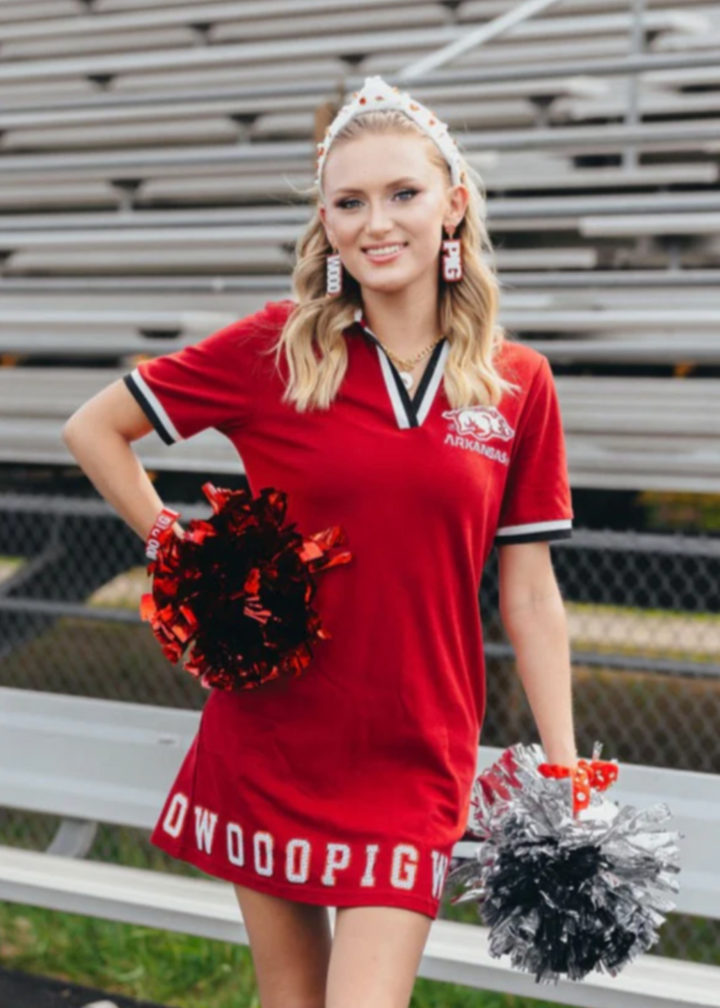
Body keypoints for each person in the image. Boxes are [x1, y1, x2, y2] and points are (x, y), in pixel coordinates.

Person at [62, 75, 577, 1008]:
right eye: (349, 201)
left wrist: (565, 761)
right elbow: (94, 430)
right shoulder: (277, 350)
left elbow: (531, 591)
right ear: (326, 221)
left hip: (418, 755)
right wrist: (181, 555)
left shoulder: (517, 383)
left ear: (453, 205)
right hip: (274, 737)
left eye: (402, 194)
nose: (376, 222)